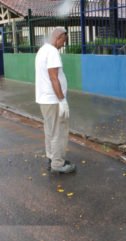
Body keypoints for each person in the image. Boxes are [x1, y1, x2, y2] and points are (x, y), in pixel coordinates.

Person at [35, 27, 76, 173]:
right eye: (63, 41)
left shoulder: (42, 50)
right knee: (59, 131)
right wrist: (62, 100)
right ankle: (58, 164)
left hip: (44, 100)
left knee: (50, 130)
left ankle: (52, 158)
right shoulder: (52, 52)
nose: (62, 44)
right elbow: (54, 78)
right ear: (58, 37)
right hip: (53, 100)